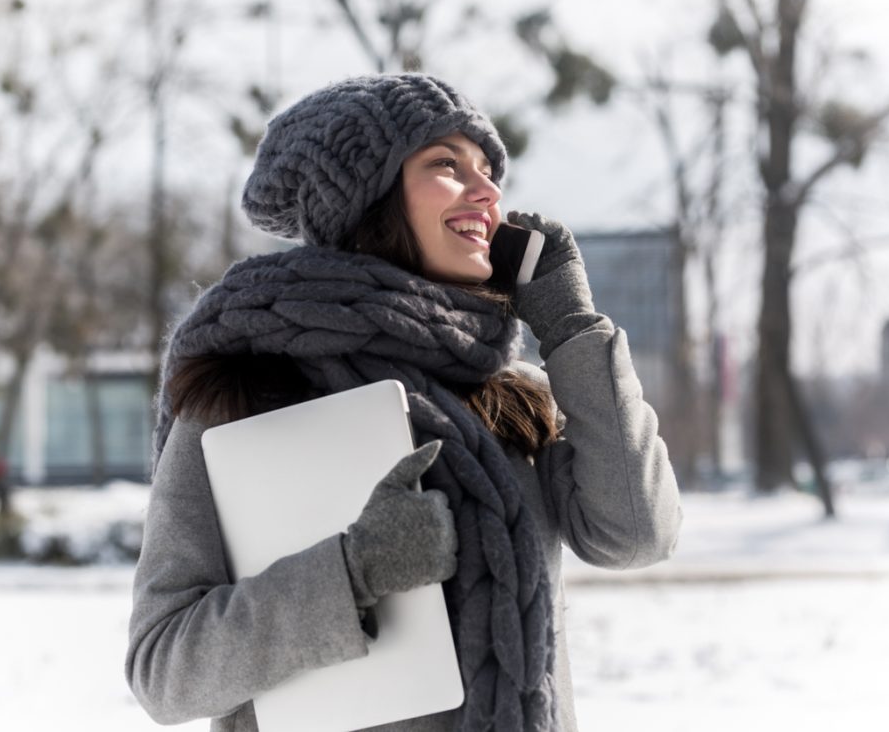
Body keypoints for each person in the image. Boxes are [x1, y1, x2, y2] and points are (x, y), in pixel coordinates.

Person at [126, 73, 682, 732]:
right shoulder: (245, 389)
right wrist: (350, 571)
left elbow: (637, 536)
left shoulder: (512, 397)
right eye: (447, 165)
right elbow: (164, 670)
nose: (487, 190)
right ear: (368, 200)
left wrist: (571, 327)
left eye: (488, 170)